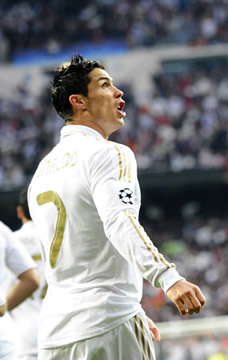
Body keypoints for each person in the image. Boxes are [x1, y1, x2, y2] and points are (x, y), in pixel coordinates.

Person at [27, 54, 206, 360]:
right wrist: (169, 278)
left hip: (55, 335)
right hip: (108, 320)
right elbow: (119, 221)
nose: (119, 92)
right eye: (105, 85)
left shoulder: (41, 174)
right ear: (79, 101)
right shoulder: (108, 153)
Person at [7, 188, 46, 360]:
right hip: (62, 330)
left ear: (19, 211)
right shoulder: (62, 239)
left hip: (20, 338)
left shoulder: (8, 242)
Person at [0, 221, 40, 360]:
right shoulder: (3, 230)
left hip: (22, 333)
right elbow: (32, 279)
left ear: (20, 212)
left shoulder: (14, 235)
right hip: (58, 324)